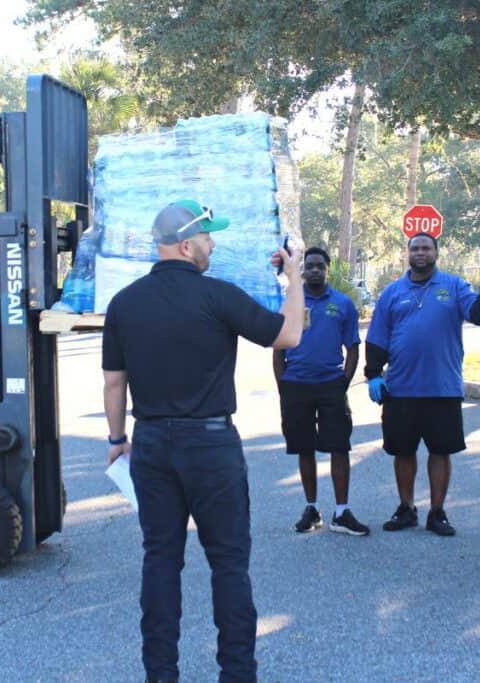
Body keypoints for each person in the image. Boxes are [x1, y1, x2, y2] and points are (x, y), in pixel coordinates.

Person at [102, 199, 304, 683]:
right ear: (187, 245)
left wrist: (116, 439)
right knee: (229, 565)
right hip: (211, 447)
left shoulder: (124, 303)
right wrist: (293, 278)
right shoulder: (219, 297)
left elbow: (114, 382)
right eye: (208, 237)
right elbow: (290, 335)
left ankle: (160, 675)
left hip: (150, 444)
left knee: (161, 561)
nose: (213, 244)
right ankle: (237, 674)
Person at [364, 233, 480, 536]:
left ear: (436, 252)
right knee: (403, 451)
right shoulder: (392, 293)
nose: (420, 252)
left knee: (440, 451)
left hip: (442, 387)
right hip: (400, 388)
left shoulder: (454, 286)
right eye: (415, 248)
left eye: (426, 248)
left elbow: (476, 315)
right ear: (407, 253)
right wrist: (373, 374)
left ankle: (437, 513)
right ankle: (406, 508)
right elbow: (376, 338)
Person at [273, 246, 368, 536]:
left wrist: (344, 381)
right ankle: (312, 509)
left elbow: (353, 347)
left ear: (327, 269)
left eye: (320, 266)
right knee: (304, 448)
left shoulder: (343, 304)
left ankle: (342, 512)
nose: (314, 270)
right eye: (309, 266)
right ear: (302, 270)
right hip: (297, 386)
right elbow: (278, 350)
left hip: (331, 386)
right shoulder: (291, 303)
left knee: (339, 446)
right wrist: (283, 386)